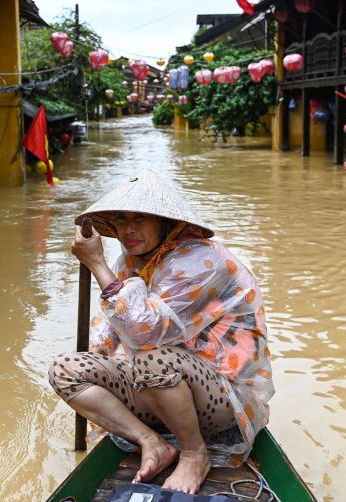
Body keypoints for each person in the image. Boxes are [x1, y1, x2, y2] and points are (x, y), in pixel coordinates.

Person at [48, 170, 274, 494]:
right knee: (65, 370)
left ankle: (195, 453)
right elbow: (111, 327)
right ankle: (151, 442)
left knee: (150, 357)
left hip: (223, 395)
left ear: (165, 222)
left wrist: (97, 265)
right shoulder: (133, 260)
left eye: (140, 218)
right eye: (122, 220)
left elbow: (144, 333)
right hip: (163, 382)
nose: (129, 229)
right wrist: (98, 355)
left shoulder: (201, 258)